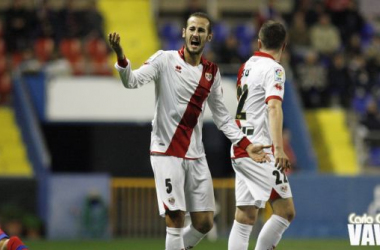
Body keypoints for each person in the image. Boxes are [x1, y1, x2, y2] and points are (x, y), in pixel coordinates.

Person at [109, 12, 270, 250]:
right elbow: (131, 81)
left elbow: (223, 118)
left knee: (204, 223)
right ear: (184, 33)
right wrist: (121, 57)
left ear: (209, 36)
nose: (196, 34)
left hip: (195, 155)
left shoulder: (211, 73)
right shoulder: (164, 60)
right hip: (166, 151)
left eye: (201, 30)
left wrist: (246, 144)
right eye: (192, 29)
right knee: (175, 216)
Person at [228, 20, 296, 250]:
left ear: (259, 42)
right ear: (284, 46)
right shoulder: (274, 69)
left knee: (246, 215)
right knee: (285, 212)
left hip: (242, 146)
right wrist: (278, 148)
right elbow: (273, 107)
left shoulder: (246, 66)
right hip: (261, 152)